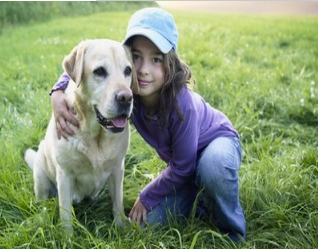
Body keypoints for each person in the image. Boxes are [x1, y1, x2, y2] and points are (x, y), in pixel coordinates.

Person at [49, 7, 246, 242]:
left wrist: (146, 195)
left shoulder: (184, 105)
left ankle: (233, 231)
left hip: (216, 144)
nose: (143, 70)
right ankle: (201, 195)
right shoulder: (132, 91)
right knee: (146, 224)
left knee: (212, 167)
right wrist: (58, 91)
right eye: (136, 58)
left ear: (170, 64)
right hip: (185, 170)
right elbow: (86, 68)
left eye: (156, 59)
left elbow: (182, 165)